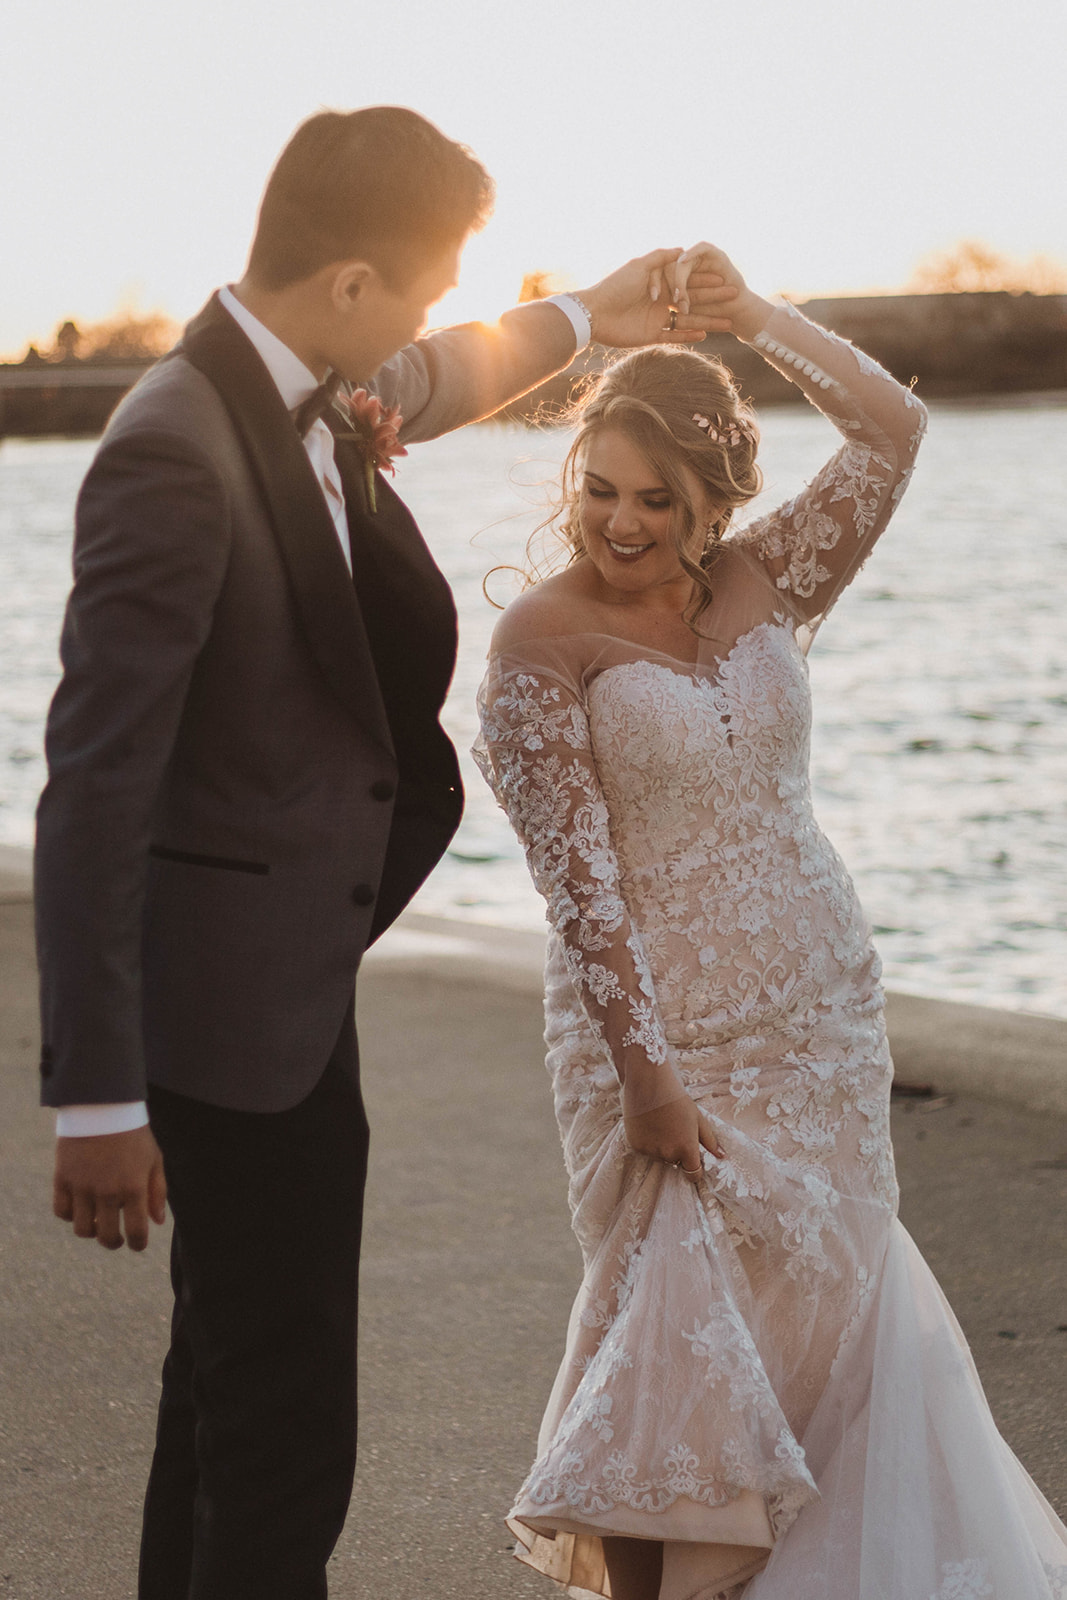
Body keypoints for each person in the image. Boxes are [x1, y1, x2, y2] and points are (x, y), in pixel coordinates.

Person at [34, 108, 735, 1600]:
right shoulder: (173, 445)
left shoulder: (306, 381)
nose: (421, 323)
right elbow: (94, 782)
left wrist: (588, 315)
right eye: (416, 290)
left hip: (284, 981)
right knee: (287, 1435)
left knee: (220, 1404)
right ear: (351, 282)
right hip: (226, 1020)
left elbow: (433, 375)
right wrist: (94, 1096)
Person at [475, 243, 1067, 1600]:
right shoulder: (541, 643)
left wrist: (753, 314)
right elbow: (579, 891)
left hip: (820, 1020)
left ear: (714, 497)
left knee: (824, 1325)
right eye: (600, 489)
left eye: (658, 498)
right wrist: (647, 1078)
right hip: (663, 1040)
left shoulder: (771, 576)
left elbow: (892, 428)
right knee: (667, 1347)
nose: (622, 523)